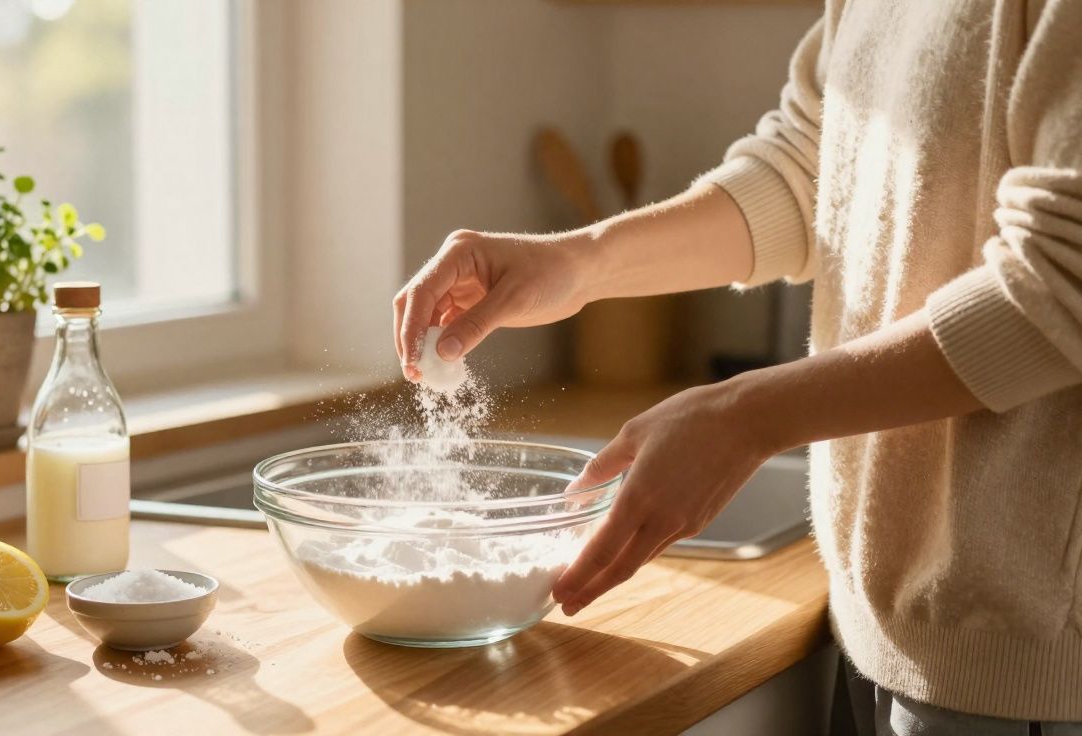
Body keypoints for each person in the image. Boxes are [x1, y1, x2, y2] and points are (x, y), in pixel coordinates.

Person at [392, 1, 1082, 733]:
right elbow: (813, 167)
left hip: (1023, 656)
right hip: (884, 623)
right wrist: (580, 261)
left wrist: (745, 418)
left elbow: (1063, 278)